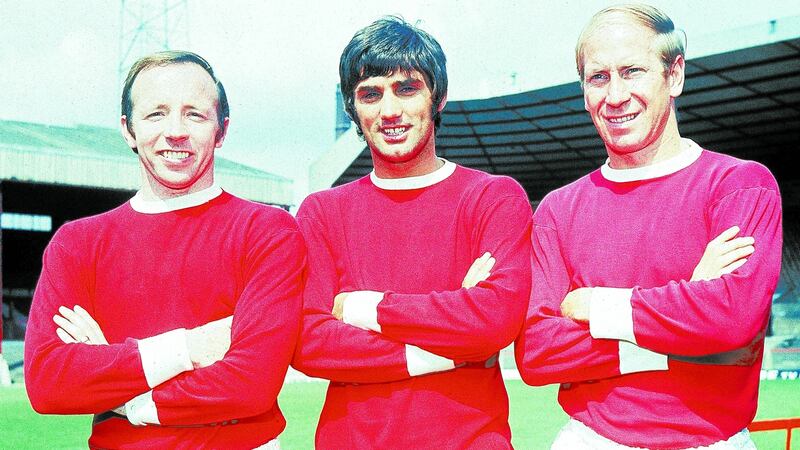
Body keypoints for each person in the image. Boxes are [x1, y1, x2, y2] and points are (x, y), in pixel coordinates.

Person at [515, 4, 783, 449]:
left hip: (711, 441)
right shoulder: (557, 211)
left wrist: (597, 306)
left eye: (633, 71)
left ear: (674, 75)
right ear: (583, 90)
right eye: (598, 77)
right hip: (590, 440)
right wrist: (685, 315)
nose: (615, 95)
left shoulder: (740, 186)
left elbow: (734, 323)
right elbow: (538, 353)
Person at [24, 51, 305, 449]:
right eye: (156, 113)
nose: (175, 131)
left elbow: (251, 385)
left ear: (222, 130)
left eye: (195, 114)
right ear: (128, 129)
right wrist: (188, 348)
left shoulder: (268, 231)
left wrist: (121, 388)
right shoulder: (78, 244)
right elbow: (48, 383)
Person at [292, 17, 533, 449]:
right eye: (371, 94)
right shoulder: (321, 212)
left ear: (437, 97)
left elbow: (495, 322)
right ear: (353, 108)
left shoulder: (494, 198)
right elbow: (308, 342)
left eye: (407, 88)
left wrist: (363, 309)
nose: (389, 110)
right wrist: (456, 344)